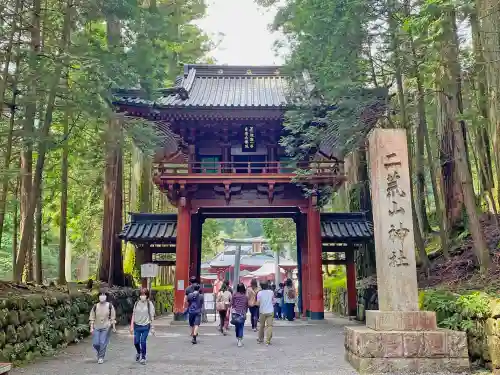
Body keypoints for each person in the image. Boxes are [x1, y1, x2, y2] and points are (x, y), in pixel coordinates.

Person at [89, 290, 116, 364]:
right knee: (95, 343)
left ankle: (101, 357)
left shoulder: (110, 306)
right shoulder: (95, 306)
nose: (102, 296)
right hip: (96, 327)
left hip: (106, 327)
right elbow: (92, 317)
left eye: (104, 295)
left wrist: (113, 327)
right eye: (100, 295)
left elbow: (112, 317)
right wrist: (91, 327)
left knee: (102, 342)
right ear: (98, 297)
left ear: (106, 296)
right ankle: (100, 352)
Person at [130, 288, 155, 364]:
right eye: (141, 294)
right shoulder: (136, 303)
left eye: (144, 294)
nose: (142, 296)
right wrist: (131, 326)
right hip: (137, 325)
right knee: (136, 342)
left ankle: (143, 357)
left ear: (147, 295)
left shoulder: (149, 304)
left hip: (145, 326)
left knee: (143, 341)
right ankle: (139, 352)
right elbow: (133, 314)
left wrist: (152, 327)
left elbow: (152, 316)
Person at [256, 281, 274, 346]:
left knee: (261, 326)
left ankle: (260, 339)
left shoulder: (259, 293)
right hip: (270, 311)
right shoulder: (271, 292)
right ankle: (268, 341)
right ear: (267, 286)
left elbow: (258, 303)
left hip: (262, 311)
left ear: (261, 286)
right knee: (269, 326)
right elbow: (273, 301)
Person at [231, 283, 248, 347]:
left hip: (235, 313)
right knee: (241, 326)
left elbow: (232, 304)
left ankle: (238, 337)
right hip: (242, 313)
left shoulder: (234, 295)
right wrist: (245, 312)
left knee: (237, 326)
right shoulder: (245, 296)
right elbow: (246, 305)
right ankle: (239, 341)